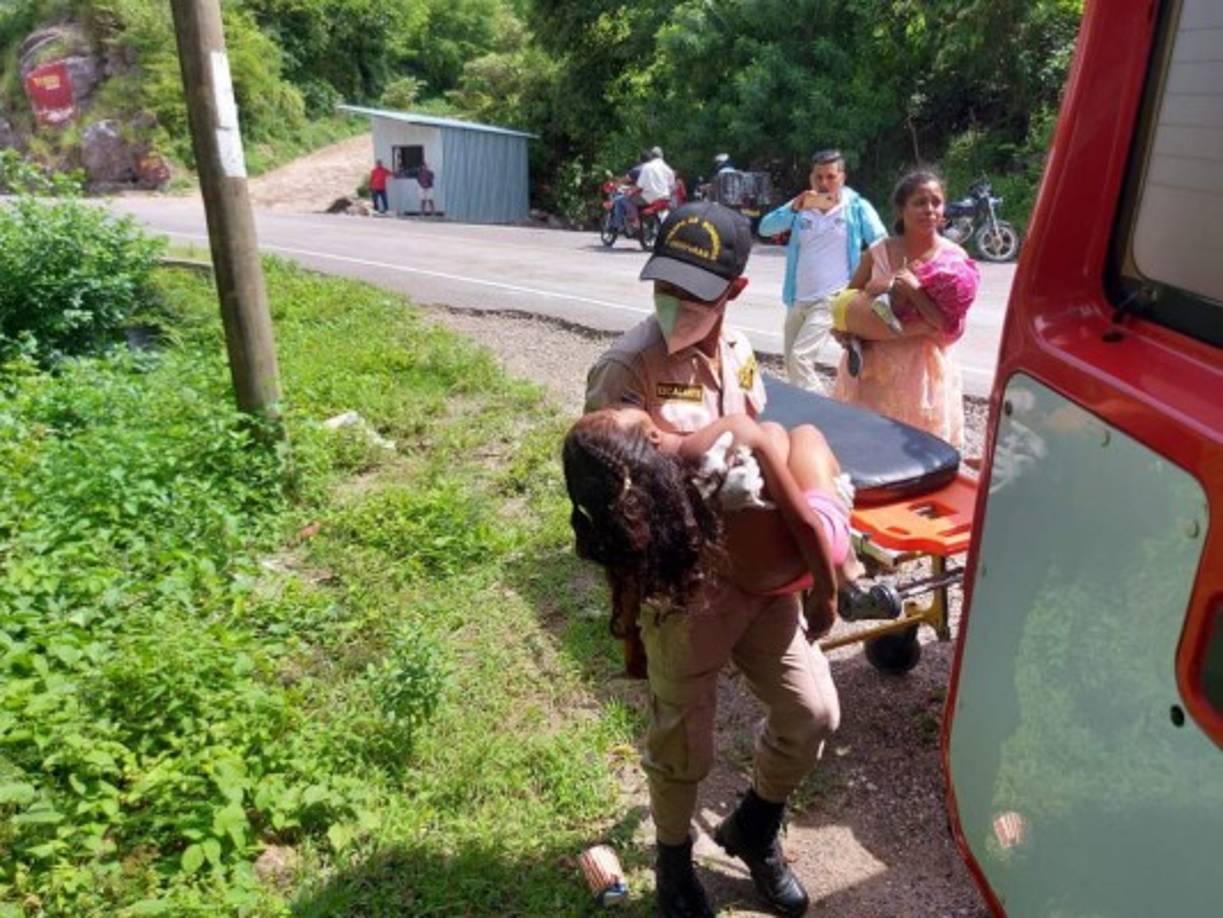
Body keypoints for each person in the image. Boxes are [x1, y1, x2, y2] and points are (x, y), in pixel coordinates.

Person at [584, 201, 838, 918]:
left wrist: (813, 567)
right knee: (680, 738)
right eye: (662, 287)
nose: (671, 306)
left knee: (812, 712)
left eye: (692, 295)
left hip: (758, 575)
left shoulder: (737, 350)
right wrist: (631, 612)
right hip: (683, 586)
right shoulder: (625, 370)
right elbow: (609, 505)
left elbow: (759, 437)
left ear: (733, 293)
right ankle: (671, 861)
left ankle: (753, 827)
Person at [831, 170, 978, 447]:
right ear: (901, 210)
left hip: (924, 377)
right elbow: (847, 303)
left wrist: (912, 291)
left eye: (936, 202)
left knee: (920, 455)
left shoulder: (954, 261)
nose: (930, 210)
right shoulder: (879, 253)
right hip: (875, 373)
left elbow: (949, 328)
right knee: (869, 450)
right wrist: (845, 330)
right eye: (920, 202)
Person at [757, 150, 887, 393]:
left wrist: (871, 286)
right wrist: (793, 208)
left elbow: (880, 242)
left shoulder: (856, 207)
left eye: (831, 177)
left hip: (832, 297)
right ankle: (805, 415)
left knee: (800, 359)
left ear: (842, 177)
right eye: (819, 177)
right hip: (797, 298)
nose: (824, 183)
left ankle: (823, 414)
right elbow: (765, 228)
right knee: (791, 363)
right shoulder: (802, 205)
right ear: (811, 178)